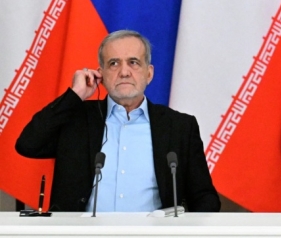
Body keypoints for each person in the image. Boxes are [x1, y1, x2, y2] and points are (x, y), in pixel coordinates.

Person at [16, 30, 220, 212]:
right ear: (101, 75)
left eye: (133, 62)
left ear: (149, 74)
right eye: (113, 63)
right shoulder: (76, 119)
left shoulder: (180, 127)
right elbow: (28, 144)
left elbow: (205, 198)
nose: (124, 72)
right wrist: (75, 94)